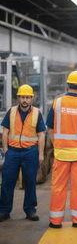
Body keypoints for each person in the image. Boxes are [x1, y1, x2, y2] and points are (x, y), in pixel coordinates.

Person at [46, 71, 77, 228]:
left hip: (61, 152)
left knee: (58, 187)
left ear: (67, 85)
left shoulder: (57, 103)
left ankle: (55, 221)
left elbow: (50, 128)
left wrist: (57, 143)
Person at [0, 84, 45, 222]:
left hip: (30, 152)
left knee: (30, 182)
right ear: (18, 98)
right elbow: (5, 132)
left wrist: (41, 154)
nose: (24, 100)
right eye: (22, 97)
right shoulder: (12, 111)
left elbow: (41, 134)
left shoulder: (37, 113)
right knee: (7, 182)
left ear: (31, 98)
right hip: (12, 152)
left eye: (27, 97)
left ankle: (30, 210)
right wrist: (6, 150)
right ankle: (4, 211)